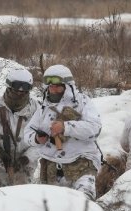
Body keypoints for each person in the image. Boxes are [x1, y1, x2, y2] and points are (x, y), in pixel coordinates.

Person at [24, 64, 102, 200]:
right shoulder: (44, 107)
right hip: (51, 168)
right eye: (51, 86)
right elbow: (28, 133)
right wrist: (36, 138)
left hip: (81, 165)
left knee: (84, 206)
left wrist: (66, 127)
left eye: (58, 86)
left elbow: (94, 129)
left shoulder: (83, 102)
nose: (53, 90)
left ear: (68, 86)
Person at [0, 69, 39, 187]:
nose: (20, 93)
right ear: (9, 87)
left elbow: (42, 141)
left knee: (23, 196)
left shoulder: (36, 109)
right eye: (16, 90)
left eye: (24, 91)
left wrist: (27, 158)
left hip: (25, 161)